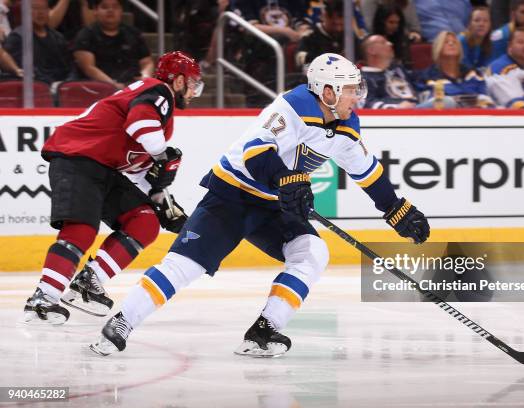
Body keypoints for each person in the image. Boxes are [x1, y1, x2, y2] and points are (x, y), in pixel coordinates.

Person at [89, 52, 430, 357]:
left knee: (312, 252)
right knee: (185, 265)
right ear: (329, 92)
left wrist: (395, 208)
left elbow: (367, 172)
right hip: (233, 194)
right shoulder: (293, 107)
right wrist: (287, 178)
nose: (358, 96)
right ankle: (121, 322)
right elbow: (255, 152)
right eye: (352, 89)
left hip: (272, 205)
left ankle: (263, 332)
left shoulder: (346, 127)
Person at [23, 51, 203, 325]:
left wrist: (161, 198)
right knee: (81, 228)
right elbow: (139, 123)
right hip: (78, 156)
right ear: (177, 80)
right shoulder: (158, 91)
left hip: (103, 166)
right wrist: (163, 154)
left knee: (144, 221)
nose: (193, 90)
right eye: (191, 83)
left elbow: (139, 170)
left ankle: (88, 283)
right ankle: (44, 298)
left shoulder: (158, 108)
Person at [73, 0, 154, 89]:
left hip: (132, 86)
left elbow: (147, 62)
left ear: (121, 10)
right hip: (98, 88)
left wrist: (144, 77)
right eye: (105, 7)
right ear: (95, 11)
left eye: (115, 7)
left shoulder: (133, 33)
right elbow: (88, 67)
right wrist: (112, 85)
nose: (110, 10)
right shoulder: (86, 35)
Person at [415, 31, 495, 108]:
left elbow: (484, 97)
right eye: (446, 42)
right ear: (437, 49)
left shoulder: (472, 74)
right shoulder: (427, 77)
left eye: (455, 42)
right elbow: (433, 103)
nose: (451, 43)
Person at [4, 0, 71, 84]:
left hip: (61, 87)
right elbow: (25, 71)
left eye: (44, 9)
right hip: (35, 87)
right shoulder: (17, 38)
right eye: (35, 8)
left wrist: (66, 84)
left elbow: (69, 67)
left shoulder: (58, 38)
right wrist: (52, 85)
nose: (40, 13)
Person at [296, 0, 360, 71]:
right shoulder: (310, 36)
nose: (338, 27)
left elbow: (360, 59)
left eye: (340, 18)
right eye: (331, 17)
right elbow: (300, 59)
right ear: (324, 15)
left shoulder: (350, 36)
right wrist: (331, 60)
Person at [360, 34, 418, 108]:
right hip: (396, 116)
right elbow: (366, 103)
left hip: (420, 109)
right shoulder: (363, 78)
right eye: (383, 42)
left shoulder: (397, 69)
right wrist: (396, 107)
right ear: (371, 50)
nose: (390, 44)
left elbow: (420, 83)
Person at [372, 4, 412, 68]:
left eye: (397, 22)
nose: (395, 26)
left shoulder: (402, 41)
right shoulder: (372, 42)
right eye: (391, 22)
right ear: (381, 21)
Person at [458, 6, 493, 72]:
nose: (481, 24)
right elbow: (465, 69)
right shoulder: (461, 41)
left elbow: (487, 69)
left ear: (490, 25)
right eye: (477, 20)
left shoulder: (489, 43)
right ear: (469, 24)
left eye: (485, 21)